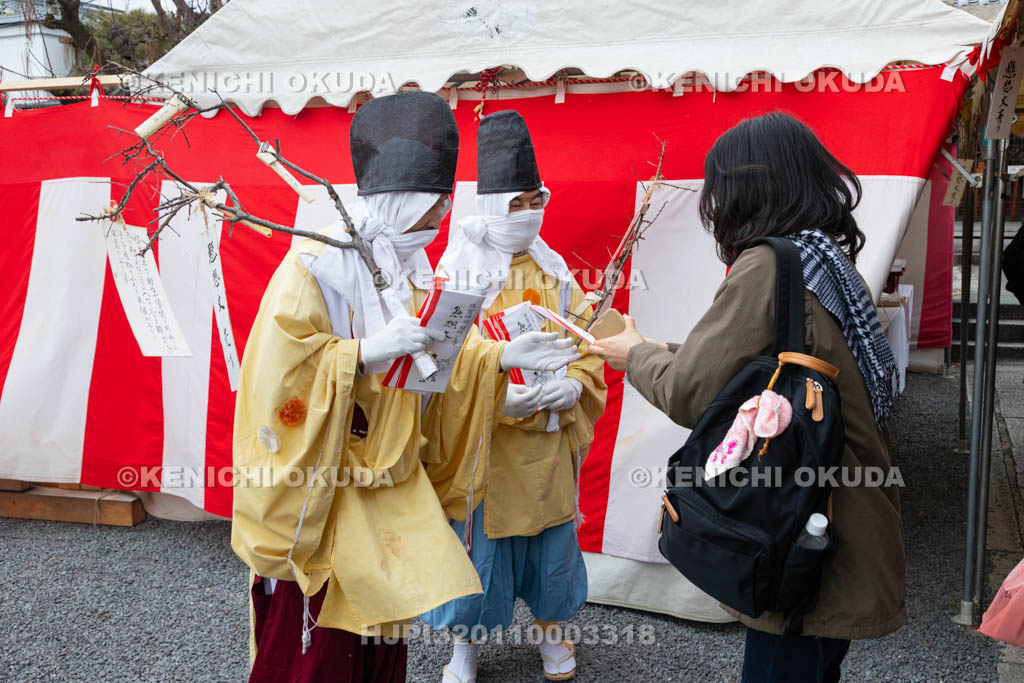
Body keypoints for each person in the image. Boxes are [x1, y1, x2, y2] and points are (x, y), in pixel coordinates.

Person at [231, 91, 580, 683]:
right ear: (398, 203)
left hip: (383, 481)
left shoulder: (404, 265)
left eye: (443, 209)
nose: (439, 222)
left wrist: (496, 359)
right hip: (326, 482)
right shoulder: (313, 269)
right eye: (430, 210)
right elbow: (277, 377)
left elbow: (442, 358)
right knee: (322, 646)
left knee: (381, 635)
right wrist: (363, 354)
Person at [589, 112, 905, 682]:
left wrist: (631, 354)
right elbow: (769, 360)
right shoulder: (823, 254)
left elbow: (690, 393)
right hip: (851, 508)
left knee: (783, 664)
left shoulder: (767, 263)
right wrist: (664, 346)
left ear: (740, 189)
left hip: (802, 519)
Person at [421, 110, 607, 683]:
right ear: (490, 206)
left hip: (548, 443)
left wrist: (577, 383)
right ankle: (465, 649)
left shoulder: (555, 270)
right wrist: (497, 401)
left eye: (536, 200)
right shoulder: (456, 274)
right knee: (481, 552)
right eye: (516, 204)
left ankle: (553, 632)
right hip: (486, 447)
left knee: (552, 548)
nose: (529, 213)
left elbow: (588, 340)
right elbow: (437, 366)